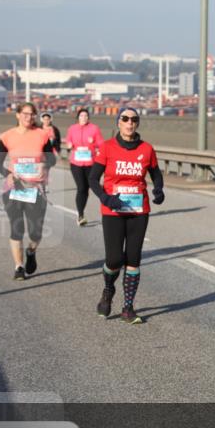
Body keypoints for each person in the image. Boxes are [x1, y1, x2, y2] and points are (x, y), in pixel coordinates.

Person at [88, 108, 164, 324]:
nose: (129, 123)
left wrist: (158, 190)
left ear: (137, 123)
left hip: (139, 211)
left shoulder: (147, 149)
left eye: (134, 119)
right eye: (125, 119)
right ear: (118, 122)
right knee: (114, 259)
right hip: (113, 209)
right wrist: (106, 198)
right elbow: (93, 179)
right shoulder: (107, 147)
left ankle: (128, 308)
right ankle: (108, 289)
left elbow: (156, 174)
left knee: (133, 258)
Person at [0, 102, 57, 281]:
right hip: (14, 189)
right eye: (26, 114)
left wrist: (44, 164)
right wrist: (8, 174)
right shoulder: (7, 136)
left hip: (35, 189)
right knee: (17, 229)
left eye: (32, 114)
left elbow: (52, 159)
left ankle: (31, 251)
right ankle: (18, 267)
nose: (29, 117)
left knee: (36, 232)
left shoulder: (42, 135)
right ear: (18, 115)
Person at [65, 108, 105, 226]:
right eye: (82, 116)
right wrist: (69, 145)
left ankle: (109, 208)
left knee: (92, 187)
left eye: (86, 116)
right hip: (76, 163)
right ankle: (81, 215)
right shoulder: (72, 128)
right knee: (81, 188)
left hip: (91, 163)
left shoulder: (94, 128)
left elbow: (101, 143)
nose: (84, 118)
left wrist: (98, 149)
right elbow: (68, 141)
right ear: (78, 117)